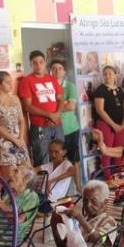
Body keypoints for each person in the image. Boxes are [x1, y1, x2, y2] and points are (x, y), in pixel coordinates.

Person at [18, 50, 64, 166]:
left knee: (60, 158)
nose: (38, 65)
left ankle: (58, 184)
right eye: (35, 63)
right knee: (42, 160)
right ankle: (44, 184)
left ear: (45, 62)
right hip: (40, 127)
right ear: (31, 64)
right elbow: (27, 106)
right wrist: (49, 115)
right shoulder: (26, 81)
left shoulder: (52, 79)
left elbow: (60, 100)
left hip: (57, 125)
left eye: (41, 62)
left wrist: (57, 114)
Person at [0, 71, 30, 179]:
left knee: (27, 174)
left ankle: (26, 196)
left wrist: (20, 139)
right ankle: (11, 196)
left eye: (11, 82)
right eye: (7, 82)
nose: (11, 84)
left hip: (19, 141)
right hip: (4, 142)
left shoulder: (15, 98)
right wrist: (14, 140)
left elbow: (21, 120)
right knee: (12, 178)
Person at [50, 60, 82, 194]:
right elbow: (65, 105)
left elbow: (71, 106)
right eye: (54, 68)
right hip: (53, 128)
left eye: (60, 68)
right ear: (50, 71)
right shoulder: (47, 86)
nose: (57, 71)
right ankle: (58, 189)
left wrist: (54, 108)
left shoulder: (70, 86)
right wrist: (62, 104)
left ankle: (78, 187)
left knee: (73, 158)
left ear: (64, 71)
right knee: (57, 159)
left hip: (70, 128)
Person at [93, 65, 124, 172]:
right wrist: (114, 125)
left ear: (115, 75)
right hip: (105, 124)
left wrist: (123, 124)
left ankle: (118, 175)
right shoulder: (100, 90)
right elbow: (100, 110)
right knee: (107, 150)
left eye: (110, 73)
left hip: (120, 124)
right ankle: (108, 177)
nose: (107, 76)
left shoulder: (120, 90)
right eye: (105, 74)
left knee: (119, 150)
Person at [0, 166, 40, 247]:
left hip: (8, 240)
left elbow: (18, 220)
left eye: (15, 172)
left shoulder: (31, 197)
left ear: (26, 178)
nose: (10, 174)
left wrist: (0, 204)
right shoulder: (9, 193)